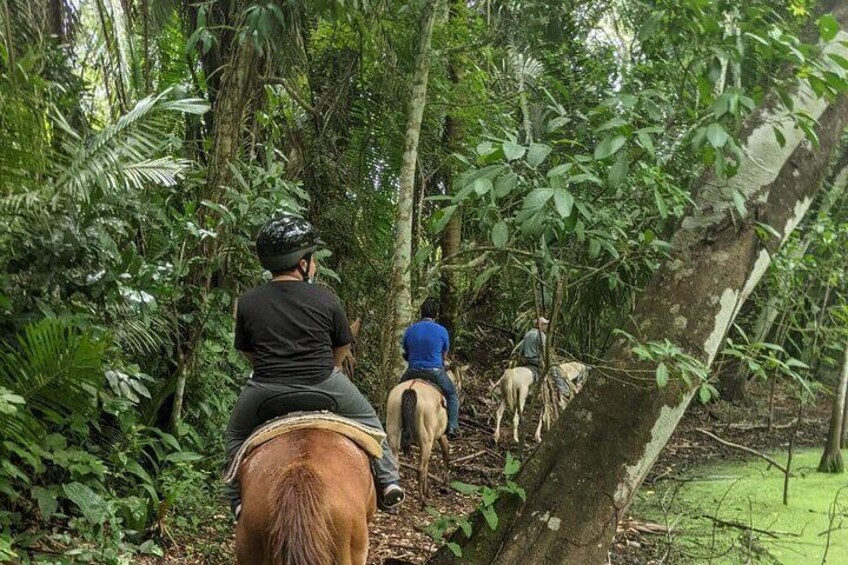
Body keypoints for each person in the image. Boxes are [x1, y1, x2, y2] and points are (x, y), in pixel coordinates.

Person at [224, 214, 405, 519]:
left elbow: (246, 351)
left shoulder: (248, 300)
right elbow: (342, 346)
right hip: (325, 386)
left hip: (265, 391)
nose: (314, 263)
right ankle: (388, 481)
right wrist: (327, 370)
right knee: (371, 422)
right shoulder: (326, 297)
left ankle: (236, 499)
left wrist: (271, 370)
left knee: (235, 435)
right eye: (312, 258)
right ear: (302, 263)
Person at [399, 298, 460, 439]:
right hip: (435, 371)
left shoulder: (411, 329)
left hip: (412, 370)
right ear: (436, 314)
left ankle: (388, 420)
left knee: (396, 391)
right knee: (452, 395)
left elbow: (406, 351)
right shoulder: (442, 331)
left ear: (421, 313)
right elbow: (444, 354)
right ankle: (452, 426)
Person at [517, 317, 569, 395]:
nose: (547, 326)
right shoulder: (541, 335)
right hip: (536, 360)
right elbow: (545, 351)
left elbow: (521, 349)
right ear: (540, 325)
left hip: (527, 359)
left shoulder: (527, 334)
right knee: (555, 370)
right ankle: (564, 390)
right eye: (545, 324)